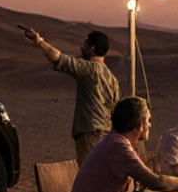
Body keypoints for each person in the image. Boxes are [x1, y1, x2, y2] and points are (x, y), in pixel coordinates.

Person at [22, 27, 119, 164]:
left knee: (90, 174)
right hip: (106, 133)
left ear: (92, 48)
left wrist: (39, 41)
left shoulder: (89, 69)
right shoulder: (111, 78)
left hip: (90, 133)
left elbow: (58, 57)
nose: (82, 46)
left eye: (85, 42)